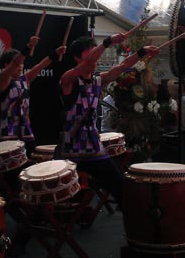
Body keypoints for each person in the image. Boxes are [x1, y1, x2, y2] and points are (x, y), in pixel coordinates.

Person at [56, 34, 160, 206]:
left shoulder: (99, 80)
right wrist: (108, 42)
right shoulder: (68, 79)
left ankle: (136, 224)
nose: (95, 58)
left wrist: (142, 52)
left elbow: (123, 66)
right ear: (76, 58)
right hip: (69, 148)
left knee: (120, 187)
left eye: (95, 53)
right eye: (90, 54)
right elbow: (88, 63)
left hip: (93, 147)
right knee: (55, 196)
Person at [0, 35, 66, 153]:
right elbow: (15, 62)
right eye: (17, 63)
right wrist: (28, 47)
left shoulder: (25, 79)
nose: (20, 66)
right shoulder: (3, 79)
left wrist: (55, 53)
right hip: (9, 129)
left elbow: (40, 66)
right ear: (5, 65)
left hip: (26, 129)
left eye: (22, 64)